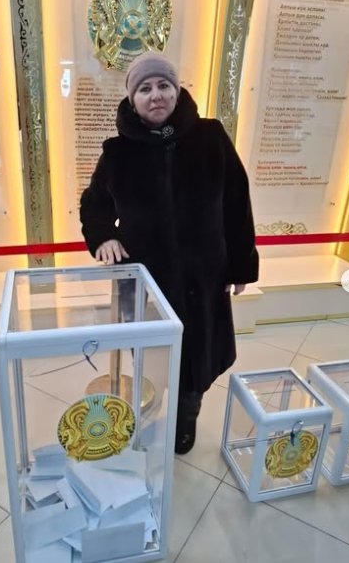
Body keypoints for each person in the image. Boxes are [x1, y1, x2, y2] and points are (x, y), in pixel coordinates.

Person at [80, 52, 259, 454]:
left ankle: (187, 415)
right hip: (146, 278)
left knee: (198, 354)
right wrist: (104, 236)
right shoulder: (118, 152)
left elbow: (236, 202)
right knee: (154, 352)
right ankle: (152, 403)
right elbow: (94, 204)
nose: (156, 95)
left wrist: (240, 265)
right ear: (132, 100)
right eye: (144, 88)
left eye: (163, 85)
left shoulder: (210, 137)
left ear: (177, 91)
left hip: (203, 274)